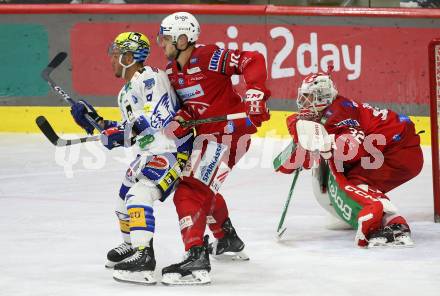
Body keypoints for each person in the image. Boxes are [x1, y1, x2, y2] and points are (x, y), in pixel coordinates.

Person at [156, 12, 271, 285]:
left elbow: (252, 59)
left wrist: (254, 92)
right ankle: (226, 237)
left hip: (227, 134)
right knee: (202, 188)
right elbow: (188, 109)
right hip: (208, 136)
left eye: (167, 38)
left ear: (183, 39)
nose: (162, 43)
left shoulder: (208, 56)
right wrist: (182, 120)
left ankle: (196, 255)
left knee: (189, 190)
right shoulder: (172, 72)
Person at [70, 32, 192, 284]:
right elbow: (130, 132)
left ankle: (144, 257)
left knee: (139, 195)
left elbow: (157, 118)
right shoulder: (124, 93)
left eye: (115, 56)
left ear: (128, 57)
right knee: (122, 201)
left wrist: (121, 131)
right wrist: (96, 121)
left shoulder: (150, 78)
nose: (111, 61)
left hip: (171, 149)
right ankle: (130, 245)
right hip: (148, 153)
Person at [276, 73, 423, 248]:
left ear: (323, 97)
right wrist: (303, 141)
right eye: (303, 96)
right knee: (348, 174)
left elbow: (354, 149)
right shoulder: (323, 112)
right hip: (387, 148)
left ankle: (395, 226)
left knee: (356, 181)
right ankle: (357, 211)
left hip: (399, 151)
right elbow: (293, 163)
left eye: (309, 97)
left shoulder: (339, 113)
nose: (304, 102)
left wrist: (326, 143)